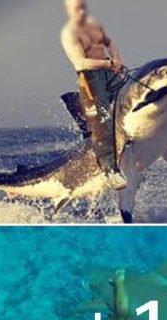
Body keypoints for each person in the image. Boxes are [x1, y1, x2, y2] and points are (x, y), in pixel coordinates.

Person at [60, 0, 127, 190]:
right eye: (75, 8)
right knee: (103, 120)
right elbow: (80, 63)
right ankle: (110, 171)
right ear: (68, 10)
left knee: (124, 106)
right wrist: (108, 64)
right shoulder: (69, 34)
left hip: (109, 69)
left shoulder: (94, 24)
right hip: (90, 77)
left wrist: (117, 59)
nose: (80, 11)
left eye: (82, 6)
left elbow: (109, 42)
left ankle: (127, 149)